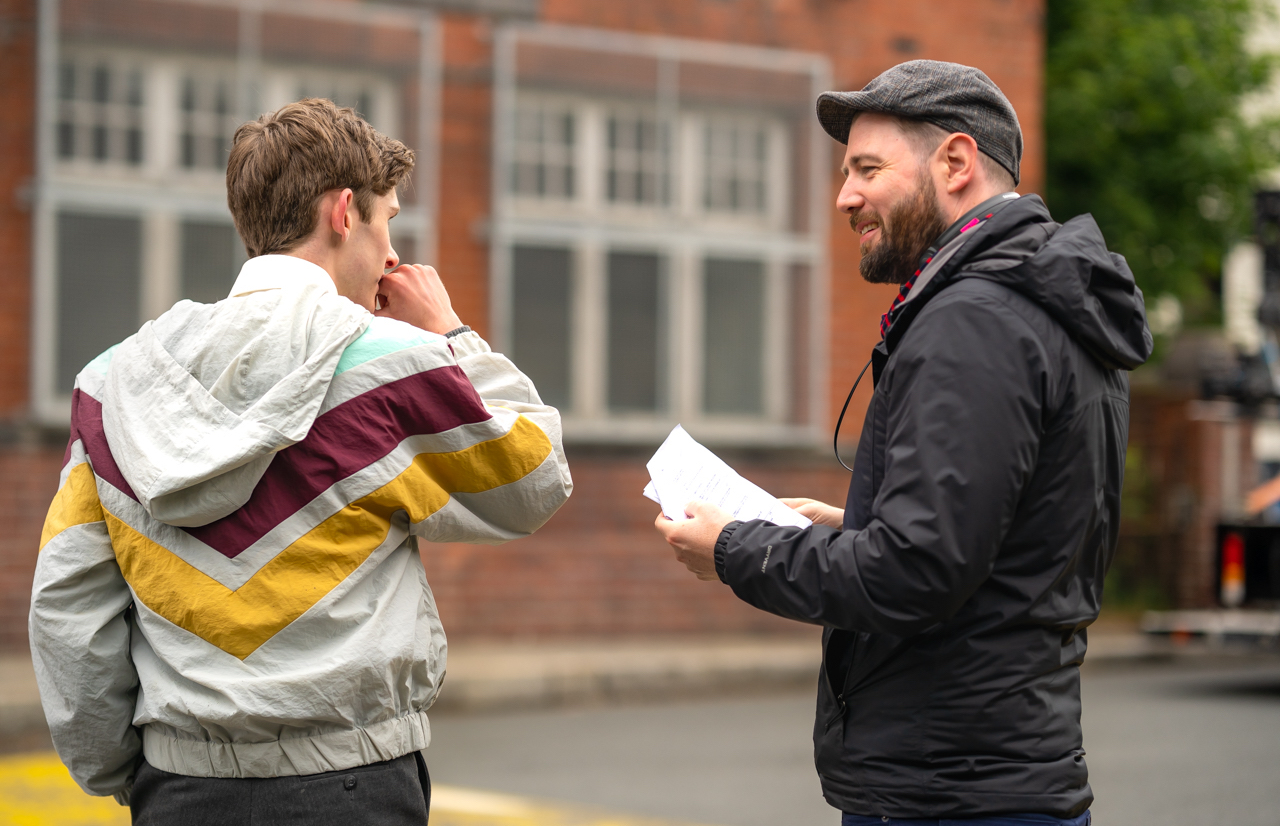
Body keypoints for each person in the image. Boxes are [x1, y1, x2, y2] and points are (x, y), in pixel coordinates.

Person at [29, 98, 572, 825]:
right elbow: (534, 477)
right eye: (388, 221)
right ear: (344, 212)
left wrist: (128, 774)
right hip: (352, 785)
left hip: (179, 788)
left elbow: (68, 604)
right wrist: (451, 331)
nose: (391, 254)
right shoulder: (389, 364)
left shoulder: (113, 385)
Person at [656, 60, 1152, 824]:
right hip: (999, 772)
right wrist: (855, 526)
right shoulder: (1041, 307)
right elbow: (1000, 546)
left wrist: (734, 549)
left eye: (867, 168)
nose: (843, 196)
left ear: (954, 162)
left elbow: (915, 572)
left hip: (950, 793)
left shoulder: (975, 320)